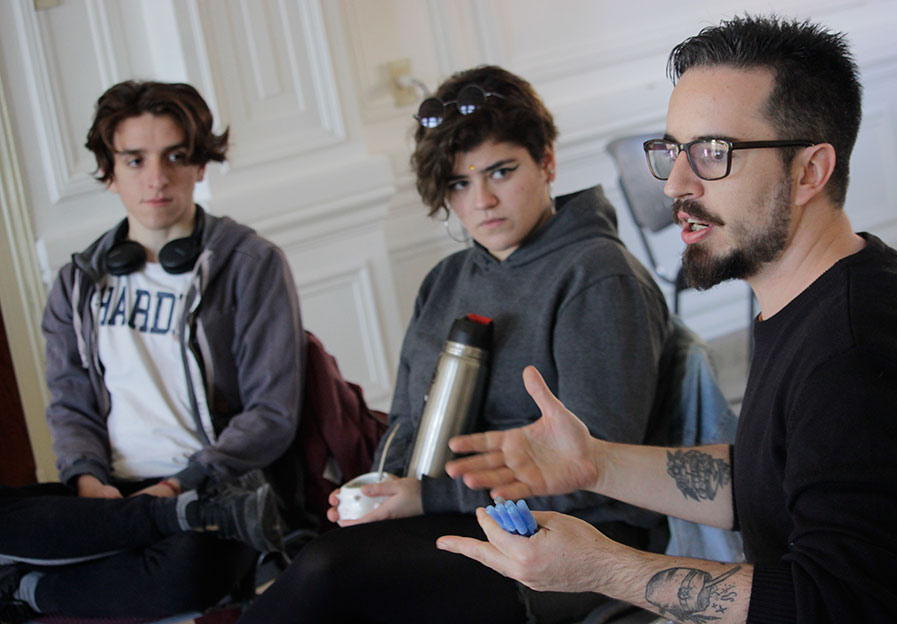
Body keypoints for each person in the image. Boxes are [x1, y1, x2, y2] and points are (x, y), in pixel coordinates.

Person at [439, 15, 897, 624]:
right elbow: (771, 477)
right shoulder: (819, 289)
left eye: (714, 153)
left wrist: (604, 568)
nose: (675, 185)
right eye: (674, 152)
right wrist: (595, 462)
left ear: (809, 171)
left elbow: (839, 603)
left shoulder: (855, 351)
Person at [237, 65, 674, 624]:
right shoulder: (446, 280)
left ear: (546, 161)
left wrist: (427, 499)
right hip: (459, 515)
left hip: (572, 540)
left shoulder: (597, 276)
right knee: (326, 566)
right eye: (459, 184)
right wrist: (383, 487)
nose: (482, 201)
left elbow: (601, 473)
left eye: (501, 171)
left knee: (332, 573)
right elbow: (404, 420)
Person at [14, 80, 305, 620]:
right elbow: (71, 404)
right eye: (135, 160)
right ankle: (103, 552)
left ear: (200, 165)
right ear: (109, 172)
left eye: (175, 156)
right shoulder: (78, 283)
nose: (157, 178)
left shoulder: (248, 264)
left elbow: (272, 413)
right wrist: (89, 482)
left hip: (208, 493)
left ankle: (25, 588)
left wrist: (177, 486)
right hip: (109, 494)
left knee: (183, 572)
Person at [0, 480, 283, 621]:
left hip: (72, 510)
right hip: (26, 593)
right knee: (184, 566)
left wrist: (87, 476)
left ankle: (203, 514)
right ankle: (203, 513)